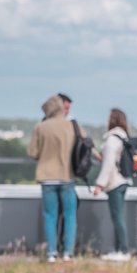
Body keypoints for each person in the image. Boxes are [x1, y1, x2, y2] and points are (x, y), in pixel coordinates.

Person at [28, 94, 77, 263]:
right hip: (67, 176)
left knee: (50, 216)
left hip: (47, 178)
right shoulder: (70, 126)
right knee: (70, 215)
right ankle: (68, 252)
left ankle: (51, 252)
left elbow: (32, 152)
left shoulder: (41, 127)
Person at [93, 108, 132, 262]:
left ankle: (123, 250)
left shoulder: (111, 140)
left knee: (117, 218)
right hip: (124, 181)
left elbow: (108, 165)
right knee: (119, 217)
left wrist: (99, 185)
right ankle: (119, 250)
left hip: (115, 182)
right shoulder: (123, 138)